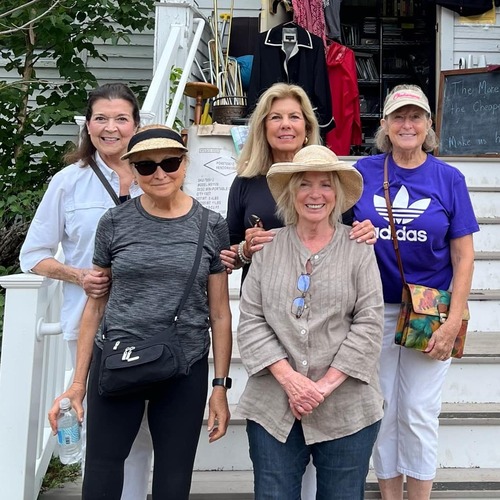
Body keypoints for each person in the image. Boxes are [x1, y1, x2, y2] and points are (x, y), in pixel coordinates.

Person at [47, 124, 232, 499]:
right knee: (101, 470)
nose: (160, 172)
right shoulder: (114, 222)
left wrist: (220, 387)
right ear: (131, 169)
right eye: (146, 166)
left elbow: (220, 314)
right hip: (117, 355)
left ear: (184, 162)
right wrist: (78, 383)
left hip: (184, 361)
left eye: (170, 162)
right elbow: (96, 303)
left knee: (174, 477)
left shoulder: (211, 224)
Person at [219, 82, 376, 498]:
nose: (315, 194)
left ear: (338, 193)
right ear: (290, 192)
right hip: (274, 403)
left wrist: (320, 387)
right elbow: (251, 319)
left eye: (325, 184)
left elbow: (369, 323)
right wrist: (291, 381)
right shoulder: (267, 249)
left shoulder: (358, 250)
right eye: (304, 184)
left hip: (347, 405)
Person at [19, 83, 153, 499]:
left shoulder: (160, 174)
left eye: (121, 119)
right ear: (88, 125)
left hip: (152, 326)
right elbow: (33, 255)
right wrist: (78, 275)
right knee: (103, 435)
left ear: (136, 124)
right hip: (90, 329)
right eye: (101, 118)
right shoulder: (68, 182)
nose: (111, 128)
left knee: (145, 435)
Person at [352, 84, 479, 500]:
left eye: (416, 117)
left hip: (429, 312)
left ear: (429, 125)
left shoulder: (449, 178)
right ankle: (390, 494)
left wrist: (454, 319)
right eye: (399, 117)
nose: (408, 125)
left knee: (419, 412)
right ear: (385, 125)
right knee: (383, 410)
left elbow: (463, 256)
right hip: (373, 310)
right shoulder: (363, 173)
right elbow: (328, 228)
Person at [221, 82, 376, 281]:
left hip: (325, 294)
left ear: (307, 128)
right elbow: (226, 256)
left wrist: (363, 231)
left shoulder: (331, 177)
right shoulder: (246, 181)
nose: (285, 124)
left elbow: (349, 232)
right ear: (263, 128)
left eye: (294, 117)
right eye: (276, 117)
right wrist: (245, 250)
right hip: (263, 300)